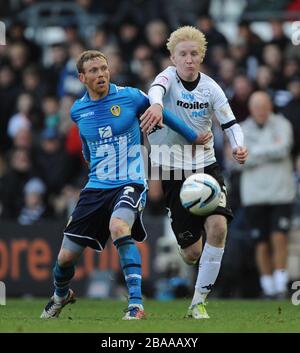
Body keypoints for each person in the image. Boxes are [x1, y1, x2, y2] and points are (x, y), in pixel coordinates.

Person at [40, 50, 208, 320]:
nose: (101, 74)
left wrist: (193, 136)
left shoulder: (130, 97)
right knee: (64, 259)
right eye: (93, 71)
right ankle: (61, 295)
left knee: (118, 227)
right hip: (96, 186)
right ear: (82, 78)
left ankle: (135, 305)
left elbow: (160, 110)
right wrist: (90, 159)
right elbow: (85, 143)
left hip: (130, 181)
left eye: (104, 68)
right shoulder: (78, 110)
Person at [140, 26, 248, 319]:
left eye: (194, 54)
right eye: (183, 54)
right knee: (192, 254)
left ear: (202, 56)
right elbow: (155, 91)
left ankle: (198, 302)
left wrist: (239, 146)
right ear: (173, 57)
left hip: (206, 165)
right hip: (173, 170)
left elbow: (230, 124)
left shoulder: (212, 89)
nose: (189, 59)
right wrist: (157, 106)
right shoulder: (166, 79)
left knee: (218, 226)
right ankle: (187, 247)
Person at [240, 91, 296, 299]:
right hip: (254, 195)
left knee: (279, 238)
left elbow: (283, 148)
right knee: (261, 243)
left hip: (281, 192)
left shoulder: (282, 124)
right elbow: (240, 159)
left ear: (270, 106)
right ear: (251, 109)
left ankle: (281, 285)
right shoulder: (242, 129)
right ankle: (268, 287)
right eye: (257, 107)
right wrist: (266, 150)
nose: (261, 111)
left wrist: (254, 152)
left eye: (264, 106)